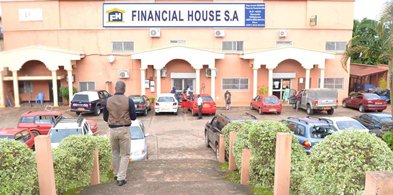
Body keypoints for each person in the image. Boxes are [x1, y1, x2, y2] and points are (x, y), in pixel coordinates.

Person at [103, 80, 137, 186]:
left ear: (115, 89)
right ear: (124, 89)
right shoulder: (129, 101)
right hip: (124, 130)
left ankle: (116, 173)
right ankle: (121, 178)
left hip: (112, 130)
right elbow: (134, 117)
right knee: (125, 154)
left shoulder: (108, 101)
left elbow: (105, 118)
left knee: (115, 153)